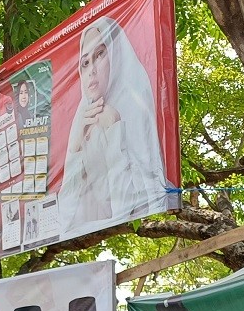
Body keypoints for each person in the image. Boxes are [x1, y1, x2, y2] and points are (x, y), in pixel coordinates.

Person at [57, 16, 167, 234]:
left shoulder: (136, 108)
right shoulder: (83, 118)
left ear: (116, 56)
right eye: (85, 62)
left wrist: (114, 130)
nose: (92, 70)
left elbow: (129, 206)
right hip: (95, 236)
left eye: (100, 54)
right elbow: (64, 220)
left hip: (134, 234)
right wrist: (76, 149)